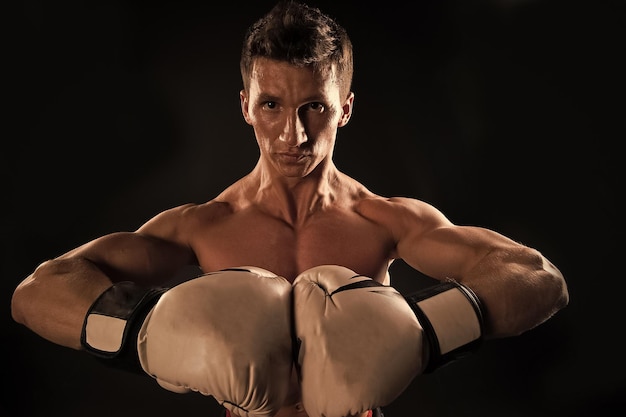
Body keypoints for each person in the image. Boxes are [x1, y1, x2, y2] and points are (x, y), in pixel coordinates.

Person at [11, 1, 569, 417]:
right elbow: (38, 291)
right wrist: (145, 332)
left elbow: (537, 278)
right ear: (246, 108)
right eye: (272, 105)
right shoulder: (202, 226)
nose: (292, 133)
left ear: (344, 109)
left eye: (314, 109)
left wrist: (421, 331)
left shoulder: (387, 220)